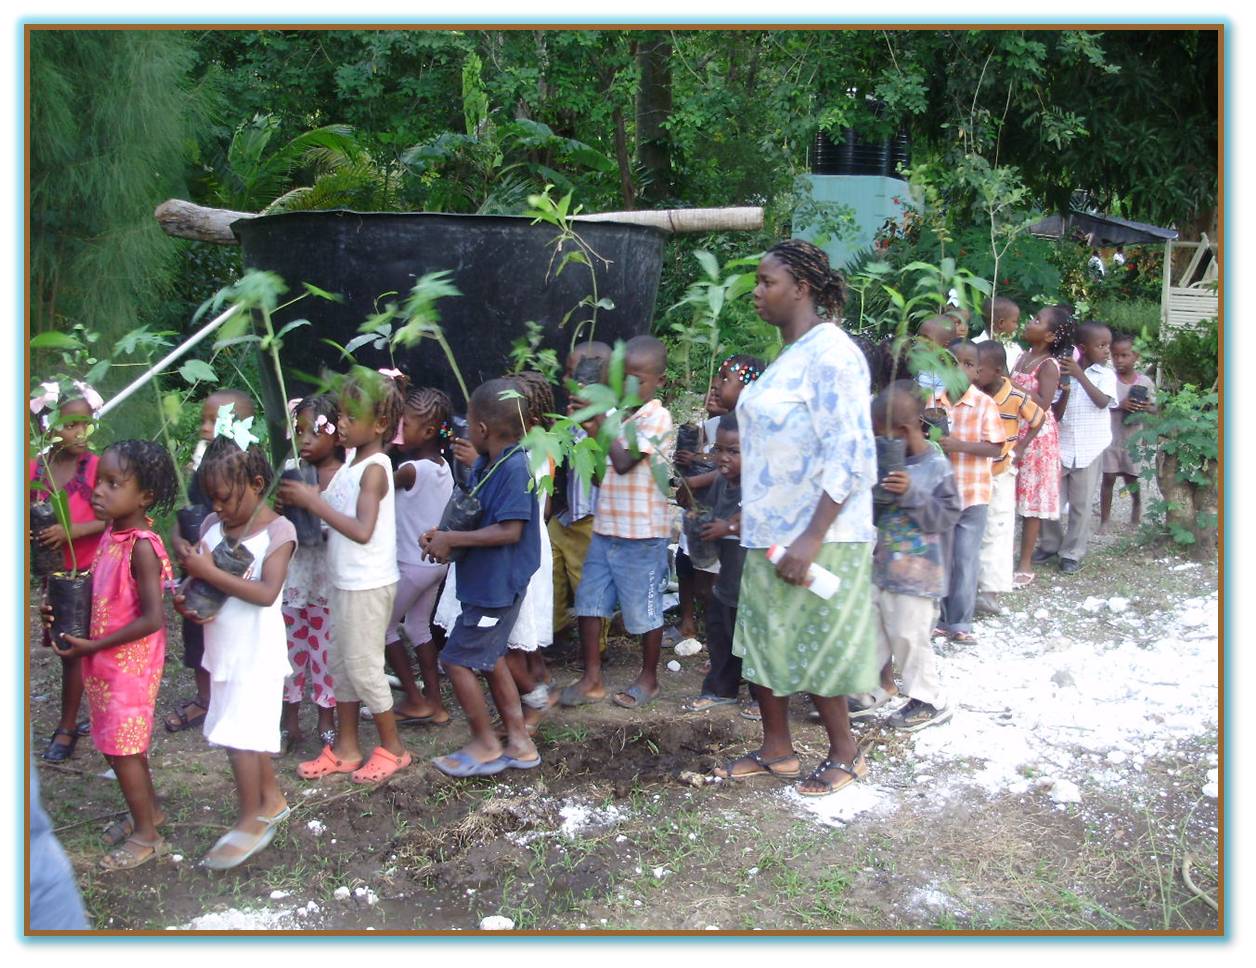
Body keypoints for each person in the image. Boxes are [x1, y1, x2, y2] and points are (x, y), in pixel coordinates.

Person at [715, 238, 879, 797]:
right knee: (767, 639)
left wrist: (812, 536)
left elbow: (851, 453)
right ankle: (777, 750)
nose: (757, 292)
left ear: (802, 288)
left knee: (820, 641)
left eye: (768, 283)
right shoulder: (789, 357)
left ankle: (846, 753)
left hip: (823, 534)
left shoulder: (833, 355)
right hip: (770, 531)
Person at [43, 440, 178, 870]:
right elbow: (99, 592)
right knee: (115, 743)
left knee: (122, 748)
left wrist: (96, 646)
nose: (98, 490)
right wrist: (59, 612)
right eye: (99, 481)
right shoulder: (111, 535)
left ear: (145, 497)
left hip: (129, 666)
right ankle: (149, 812)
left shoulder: (142, 546)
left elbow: (153, 618)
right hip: (104, 660)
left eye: (113, 483)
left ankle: (147, 836)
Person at [172, 433, 296, 869]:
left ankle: (251, 819)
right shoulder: (212, 526)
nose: (217, 507)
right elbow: (203, 583)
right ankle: (272, 800)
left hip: (256, 655)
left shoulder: (279, 532)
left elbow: (265, 593)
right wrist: (187, 595)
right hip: (222, 651)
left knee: (241, 738)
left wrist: (206, 570)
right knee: (240, 732)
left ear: (257, 484)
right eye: (212, 498)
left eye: (224, 497)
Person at [282, 367, 410, 784]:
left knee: (364, 667)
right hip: (344, 582)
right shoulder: (353, 464)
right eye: (341, 415)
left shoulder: (376, 468)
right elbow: (335, 523)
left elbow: (361, 529)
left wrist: (313, 502)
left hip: (367, 585)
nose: (342, 424)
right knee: (341, 666)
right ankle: (347, 748)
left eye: (352, 418)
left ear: (380, 424)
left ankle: (394, 749)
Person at [420, 378, 541, 776]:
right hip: (485, 584)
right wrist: (442, 535)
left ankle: (486, 743)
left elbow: (510, 530)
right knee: (491, 658)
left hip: (497, 588)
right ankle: (519, 743)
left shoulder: (514, 468)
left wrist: (453, 539)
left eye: (469, 423)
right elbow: (478, 514)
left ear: (483, 429)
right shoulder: (489, 464)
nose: (466, 430)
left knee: (456, 659)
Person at [559, 335, 675, 710]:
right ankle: (592, 678)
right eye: (623, 377)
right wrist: (592, 432)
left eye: (638, 378)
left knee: (644, 611)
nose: (629, 385)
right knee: (590, 604)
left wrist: (600, 426)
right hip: (606, 530)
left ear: (659, 381)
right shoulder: (617, 418)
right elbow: (600, 477)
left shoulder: (656, 417)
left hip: (642, 537)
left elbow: (624, 462)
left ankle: (649, 678)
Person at [854, 382, 962, 729]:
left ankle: (928, 700)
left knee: (908, 636)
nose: (876, 442)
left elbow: (946, 516)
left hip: (920, 576)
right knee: (871, 631)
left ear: (902, 431)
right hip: (884, 568)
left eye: (880, 435)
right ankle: (862, 691)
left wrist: (911, 493)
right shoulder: (887, 464)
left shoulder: (936, 466)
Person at [164, 388, 256, 734]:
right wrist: (178, 540)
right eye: (203, 420)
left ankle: (236, 696)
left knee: (231, 629)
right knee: (196, 631)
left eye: (213, 422)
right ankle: (205, 699)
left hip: (229, 566)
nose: (204, 428)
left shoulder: (248, 470)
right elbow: (185, 513)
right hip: (195, 567)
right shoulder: (201, 468)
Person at [30, 387, 106, 762]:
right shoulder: (36, 468)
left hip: (94, 571)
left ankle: (69, 723)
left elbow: (114, 514)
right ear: (50, 425)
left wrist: (70, 531)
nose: (79, 432)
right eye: (71, 424)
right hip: (56, 574)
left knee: (86, 648)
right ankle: (73, 719)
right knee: (68, 647)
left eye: (85, 424)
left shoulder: (98, 467)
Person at [278, 395, 345, 755]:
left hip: (327, 578)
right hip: (295, 574)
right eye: (299, 431)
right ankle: (289, 718)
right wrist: (280, 507)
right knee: (290, 648)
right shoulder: (292, 470)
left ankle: (326, 717)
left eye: (314, 432)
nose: (304, 440)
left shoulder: (344, 475)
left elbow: (349, 525)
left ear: (335, 435)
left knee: (324, 650)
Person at [386, 386, 454, 728]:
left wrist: (383, 444)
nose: (399, 430)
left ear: (427, 431)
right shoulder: (443, 466)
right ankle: (436, 705)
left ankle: (414, 699)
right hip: (434, 566)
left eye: (404, 424)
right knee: (417, 627)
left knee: (381, 630)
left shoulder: (411, 469)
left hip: (411, 565)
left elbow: (375, 485)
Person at [934, 340, 1006, 643]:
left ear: (977, 371)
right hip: (939, 496)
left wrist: (959, 446)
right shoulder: (933, 401)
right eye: (952, 363)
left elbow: (996, 447)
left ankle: (961, 622)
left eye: (967, 364)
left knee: (965, 559)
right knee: (941, 558)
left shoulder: (984, 404)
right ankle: (940, 619)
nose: (959, 370)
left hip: (972, 495)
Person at [1038, 322, 1118, 573]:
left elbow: (1102, 402)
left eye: (1108, 345)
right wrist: (1066, 385)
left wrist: (1080, 376)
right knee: (1051, 500)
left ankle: (1072, 553)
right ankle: (1050, 543)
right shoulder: (1061, 371)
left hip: (1090, 448)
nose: (1107, 350)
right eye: (1101, 345)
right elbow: (1056, 412)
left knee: (1081, 505)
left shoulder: (1105, 375)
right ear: (1082, 348)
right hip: (1061, 447)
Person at [682, 412, 748, 713]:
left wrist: (729, 527)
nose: (723, 457)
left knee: (752, 640)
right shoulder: (723, 481)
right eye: (718, 449)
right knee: (720, 632)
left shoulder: (758, 485)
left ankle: (762, 698)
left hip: (752, 583)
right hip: (728, 577)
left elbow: (761, 519)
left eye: (734, 451)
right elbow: (708, 510)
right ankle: (721, 689)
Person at [549, 342, 611, 653]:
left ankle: (596, 648)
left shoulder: (610, 420)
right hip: (565, 514)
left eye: (572, 374)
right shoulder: (569, 415)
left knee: (587, 582)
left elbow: (605, 473)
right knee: (549, 572)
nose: (565, 380)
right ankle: (554, 631)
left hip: (591, 518)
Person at [973, 342, 1043, 614]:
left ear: (998, 370)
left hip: (1001, 472)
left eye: (979, 368)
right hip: (974, 471)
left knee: (998, 529)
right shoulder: (972, 393)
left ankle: (990, 592)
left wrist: (1022, 446)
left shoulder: (1014, 395)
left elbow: (1038, 418)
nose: (974, 373)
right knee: (976, 530)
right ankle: (971, 587)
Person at [1010, 306, 1071, 586]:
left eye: (1036, 320)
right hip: (1015, 431)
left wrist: (1011, 385)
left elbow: (1044, 403)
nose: (1028, 322)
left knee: (1031, 503)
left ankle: (1025, 563)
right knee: (1012, 495)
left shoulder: (1048, 365)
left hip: (1036, 438)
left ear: (1049, 336)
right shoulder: (1023, 357)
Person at [1100, 333, 1156, 529]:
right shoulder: (1108, 379)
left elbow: (1155, 408)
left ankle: (1136, 508)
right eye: (1115, 355)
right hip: (1111, 438)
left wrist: (1147, 407)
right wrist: (1120, 405)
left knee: (1131, 477)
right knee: (1108, 477)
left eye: (1125, 355)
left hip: (1133, 439)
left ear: (1136, 356)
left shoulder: (1145, 382)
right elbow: (1101, 404)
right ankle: (1105, 520)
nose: (1119, 360)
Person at [974, 296, 1024, 372]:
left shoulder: (1015, 350)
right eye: (1014, 321)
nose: (1016, 326)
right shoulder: (974, 347)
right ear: (1001, 323)